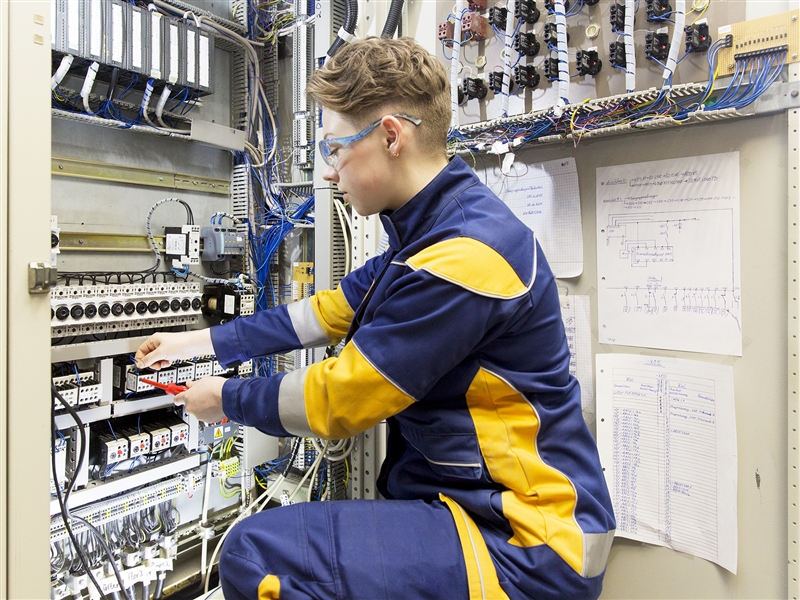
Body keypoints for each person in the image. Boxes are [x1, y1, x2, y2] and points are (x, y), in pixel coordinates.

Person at [135, 36, 616, 600]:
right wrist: (196, 342)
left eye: (334, 150)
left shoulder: (466, 253)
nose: (331, 173)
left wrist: (223, 400)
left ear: (390, 136)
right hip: (470, 511)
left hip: (527, 542)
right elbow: (320, 314)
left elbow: (341, 400)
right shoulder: (426, 237)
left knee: (252, 552)